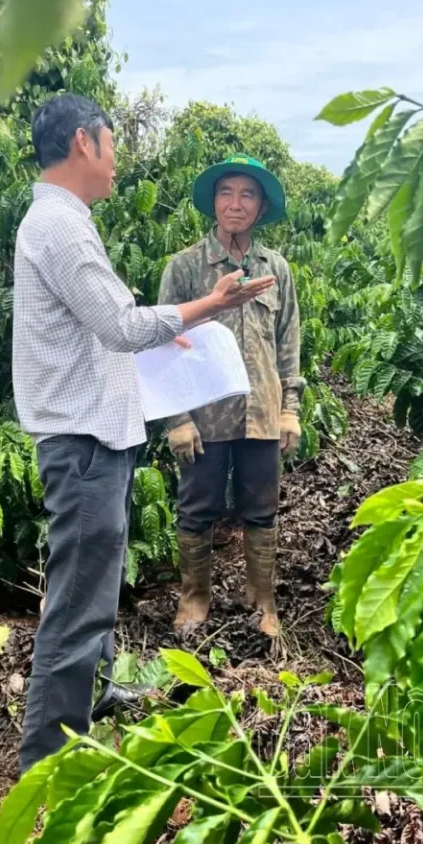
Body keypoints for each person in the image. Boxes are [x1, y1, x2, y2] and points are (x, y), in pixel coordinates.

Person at [12, 97, 276, 772]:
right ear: (84, 143)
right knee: (77, 604)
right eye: (112, 143)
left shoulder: (67, 221)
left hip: (98, 437)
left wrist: (170, 331)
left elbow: (109, 324)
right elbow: (121, 327)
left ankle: (95, 696)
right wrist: (211, 304)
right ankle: (48, 762)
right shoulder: (60, 227)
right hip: (82, 441)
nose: (116, 160)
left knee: (96, 589)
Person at [158, 155, 304, 638]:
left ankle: (261, 598)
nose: (235, 204)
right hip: (205, 415)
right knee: (197, 507)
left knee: (261, 508)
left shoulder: (275, 268)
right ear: (214, 202)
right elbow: (165, 344)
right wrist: (178, 418)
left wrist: (289, 409)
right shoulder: (184, 267)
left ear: (261, 207)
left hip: (261, 411)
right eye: (226, 192)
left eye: (247, 195)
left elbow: (287, 341)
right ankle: (194, 598)